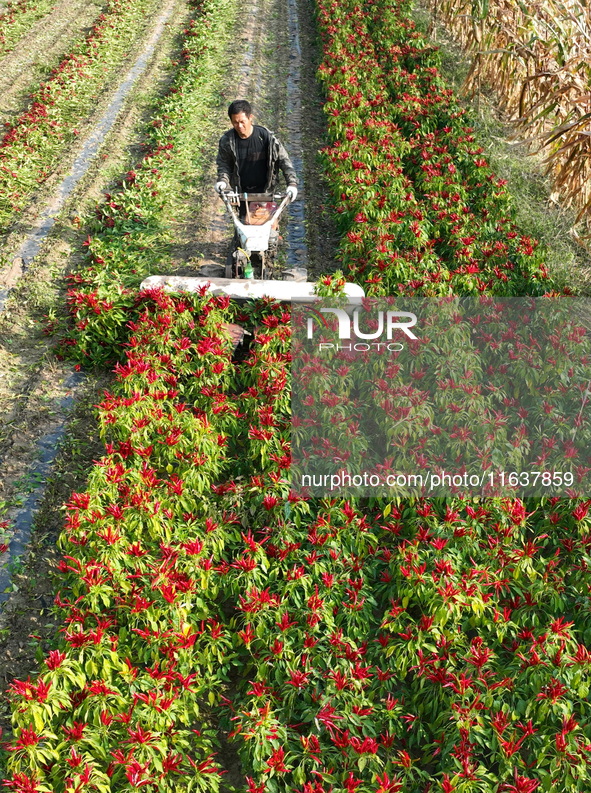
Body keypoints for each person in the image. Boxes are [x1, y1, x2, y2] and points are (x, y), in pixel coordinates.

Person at [215, 100, 298, 213]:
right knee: (245, 223)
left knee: (268, 225)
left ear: (250, 118)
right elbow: (224, 164)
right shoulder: (228, 141)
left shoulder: (266, 138)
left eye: (242, 121)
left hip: (265, 192)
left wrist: (292, 183)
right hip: (242, 193)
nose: (239, 126)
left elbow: (284, 161)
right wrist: (223, 181)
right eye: (235, 122)